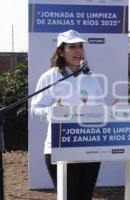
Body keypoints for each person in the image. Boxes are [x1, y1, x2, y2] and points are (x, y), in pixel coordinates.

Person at [31, 30, 104, 200]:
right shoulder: (50, 77)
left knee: (85, 196)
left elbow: (100, 108)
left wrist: (108, 112)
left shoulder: (91, 78)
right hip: (59, 148)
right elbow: (35, 109)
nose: (79, 51)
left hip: (90, 147)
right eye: (72, 47)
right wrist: (53, 112)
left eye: (81, 46)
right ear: (61, 52)